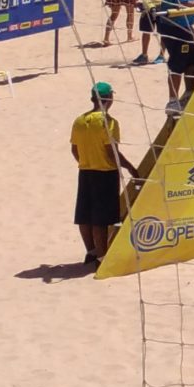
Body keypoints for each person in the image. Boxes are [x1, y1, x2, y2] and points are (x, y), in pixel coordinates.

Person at [71, 81, 138, 267]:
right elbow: (111, 152)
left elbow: (74, 150)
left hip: (85, 171)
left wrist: (86, 161)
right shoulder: (109, 122)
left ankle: (91, 252)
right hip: (105, 173)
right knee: (100, 219)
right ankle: (102, 257)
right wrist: (130, 167)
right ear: (109, 98)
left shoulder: (79, 120)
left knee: (84, 215)